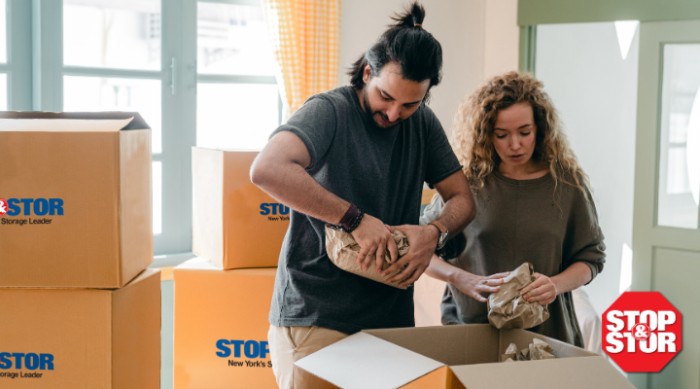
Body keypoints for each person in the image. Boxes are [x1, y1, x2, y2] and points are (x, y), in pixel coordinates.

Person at [249, 2, 475, 387]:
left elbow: (463, 200)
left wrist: (434, 232)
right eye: (385, 97)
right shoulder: (329, 111)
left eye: (409, 103)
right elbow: (267, 169)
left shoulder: (421, 124)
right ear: (368, 72)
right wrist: (354, 219)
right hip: (317, 317)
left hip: (390, 323)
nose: (392, 114)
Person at [422, 71, 605, 347]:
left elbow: (591, 259)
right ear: (486, 134)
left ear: (540, 128)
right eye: (502, 135)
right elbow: (420, 249)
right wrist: (460, 278)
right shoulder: (467, 185)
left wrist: (555, 284)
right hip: (472, 332)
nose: (515, 144)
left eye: (524, 132)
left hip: (546, 335)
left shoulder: (567, 185)